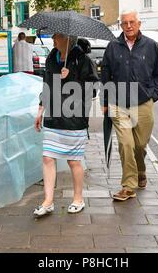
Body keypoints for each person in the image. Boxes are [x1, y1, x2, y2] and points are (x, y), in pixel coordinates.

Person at [101, 9, 158, 201]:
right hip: (119, 103)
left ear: (139, 24)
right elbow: (105, 76)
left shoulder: (151, 46)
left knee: (139, 145)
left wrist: (153, 95)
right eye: (125, 23)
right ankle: (128, 186)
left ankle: (141, 170)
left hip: (143, 103)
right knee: (126, 144)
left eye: (132, 22)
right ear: (120, 25)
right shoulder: (113, 47)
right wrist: (106, 101)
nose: (128, 26)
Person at [34, 33, 99, 217]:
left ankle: (78, 199)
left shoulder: (82, 60)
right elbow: (46, 86)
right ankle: (48, 201)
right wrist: (40, 110)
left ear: (68, 39)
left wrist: (71, 79)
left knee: (73, 160)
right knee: (48, 158)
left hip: (74, 118)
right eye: (53, 36)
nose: (54, 39)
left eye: (57, 36)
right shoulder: (51, 57)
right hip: (54, 116)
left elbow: (93, 89)